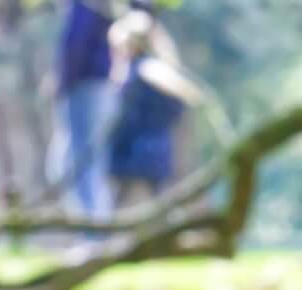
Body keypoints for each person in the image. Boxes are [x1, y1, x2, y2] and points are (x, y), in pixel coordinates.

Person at [106, 9, 202, 205]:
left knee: (121, 201)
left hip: (133, 150)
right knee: (157, 201)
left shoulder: (136, 75)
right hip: (158, 150)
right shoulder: (163, 74)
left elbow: (125, 117)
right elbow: (178, 110)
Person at [49, 0, 117, 220]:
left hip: (84, 85)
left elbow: (77, 43)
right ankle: (94, 224)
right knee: (85, 157)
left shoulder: (84, 5)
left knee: (82, 159)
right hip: (93, 83)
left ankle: (92, 227)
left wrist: (62, 81)